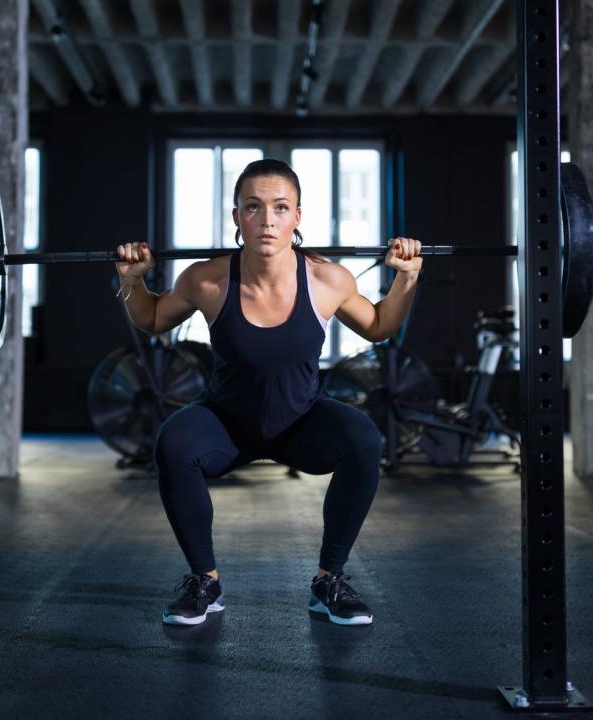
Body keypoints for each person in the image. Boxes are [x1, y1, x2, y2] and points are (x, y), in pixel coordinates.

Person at [114, 159, 421, 626]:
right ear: (236, 216)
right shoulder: (207, 279)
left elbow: (379, 326)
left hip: (301, 423)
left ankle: (328, 582)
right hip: (226, 423)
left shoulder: (327, 280)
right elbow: (153, 319)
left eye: (281, 208)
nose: (267, 220)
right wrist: (132, 280)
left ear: (299, 216)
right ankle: (205, 581)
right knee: (174, 442)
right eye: (253, 207)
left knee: (362, 438)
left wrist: (406, 278)